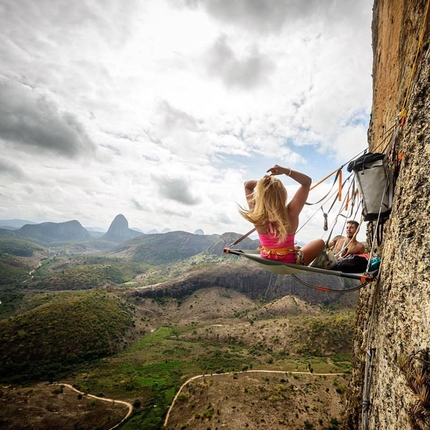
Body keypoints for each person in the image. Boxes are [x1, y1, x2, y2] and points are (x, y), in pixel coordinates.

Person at [239, 165, 325, 266]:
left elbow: (247, 185)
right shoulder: (291, 213)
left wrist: (263, 183)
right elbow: (307, 182)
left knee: (296, 248)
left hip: (266, 258)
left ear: (261, 195)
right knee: (320, 242)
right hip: (289, 261)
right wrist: (285, 171)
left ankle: (293, 250)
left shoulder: (258, 216)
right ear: (282, 195)